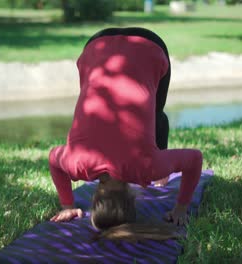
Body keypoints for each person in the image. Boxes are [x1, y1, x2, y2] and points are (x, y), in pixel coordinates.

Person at [48, 27, 203, 239]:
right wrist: (67, 205)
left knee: (156, 115)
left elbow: (195, 158)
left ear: (133, 199)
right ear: (95, 199)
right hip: (96, 45)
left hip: (149, 45)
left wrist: (181, 208)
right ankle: (160, 146)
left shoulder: (147, 168)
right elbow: (53, 159)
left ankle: (162, 155)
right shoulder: (77, 164)